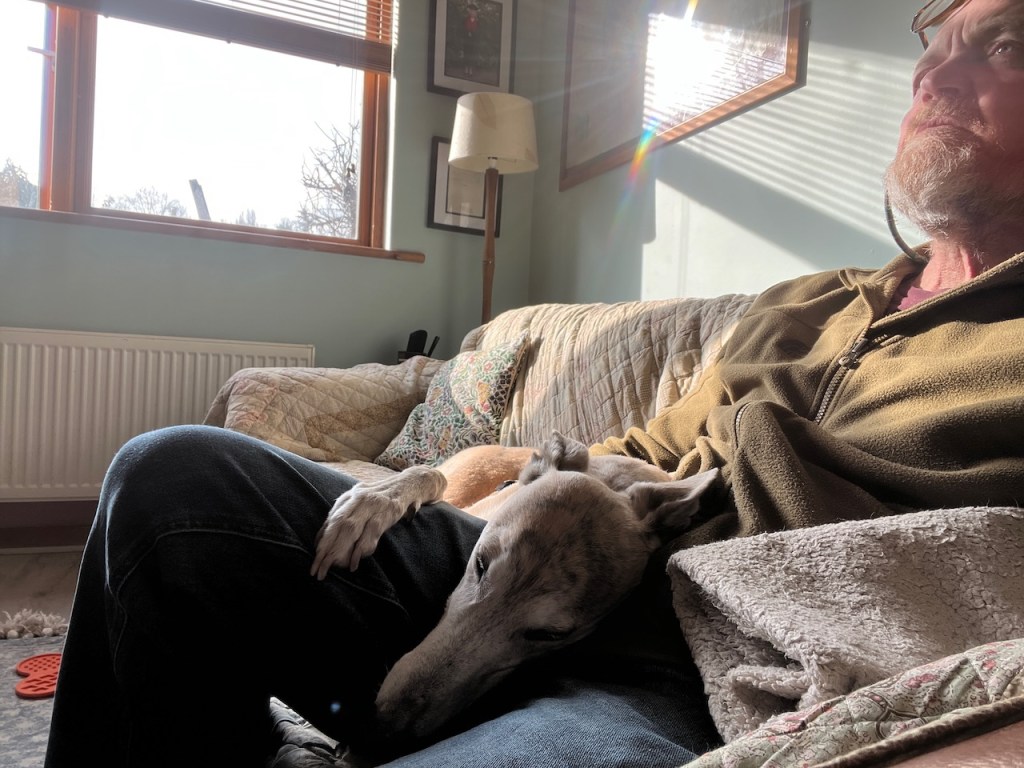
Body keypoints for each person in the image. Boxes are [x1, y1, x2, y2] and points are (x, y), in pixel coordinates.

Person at [44, 0, 1024, 765]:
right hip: (543, 571)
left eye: (1003, 45)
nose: (934, 72)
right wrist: (426, 487)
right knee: (171, 479)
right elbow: (633, 456)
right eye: (933, 47)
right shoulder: (805, 303)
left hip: (696, 675)